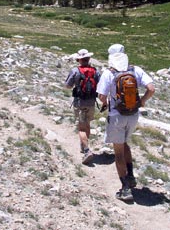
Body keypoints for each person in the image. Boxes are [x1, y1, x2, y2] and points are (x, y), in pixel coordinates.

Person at [97, 44, 155, 201]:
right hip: (133, 114)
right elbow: (151, 88)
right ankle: (130, 176)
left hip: (117, 115)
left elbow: (102, 95)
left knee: (118, 152)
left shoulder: (109, 73)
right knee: (126, 144)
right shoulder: (135, 70)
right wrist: (142, 101)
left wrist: (107, 102)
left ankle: (125, 189)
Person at [64, 49, 101, 165]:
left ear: (78, 59)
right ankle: (84, 145)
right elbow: (100, 86)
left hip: (79, 103)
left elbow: (68, 86)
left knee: (81, 127)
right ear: (89, 59)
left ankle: (86, 150)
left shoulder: (75, 71)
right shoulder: (96, 71)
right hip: (91, 102)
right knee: (87, 124)